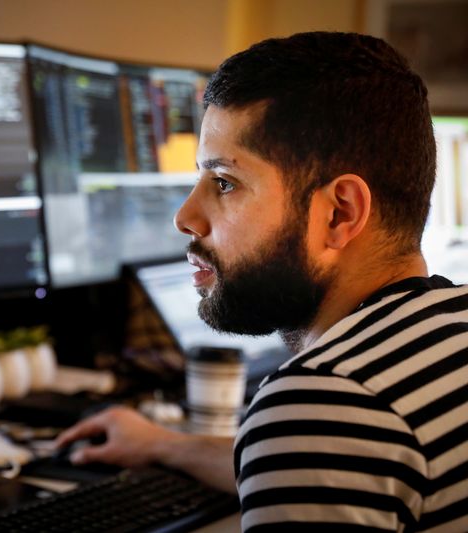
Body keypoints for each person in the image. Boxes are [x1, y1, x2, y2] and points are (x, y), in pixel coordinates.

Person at [57, 32, 468, 532]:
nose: (185, 217)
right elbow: (326, 468)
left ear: (340, 213)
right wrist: (166, 445)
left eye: (225, 182)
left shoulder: (324, 406)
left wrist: (283, 431)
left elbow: (316, 443)